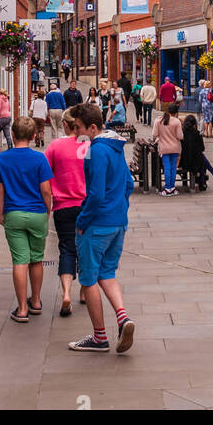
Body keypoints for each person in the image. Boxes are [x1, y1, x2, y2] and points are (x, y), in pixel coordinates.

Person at [69, 102, 135, 353]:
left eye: (78, 128)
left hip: (96, 225)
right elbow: (128, 184)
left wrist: (82, 221)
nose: (76, 133)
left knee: (88, 279)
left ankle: (99, 338)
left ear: (93, 127)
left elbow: (95, 194)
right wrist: (119, 210)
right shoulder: (116, 148)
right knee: (107, 274)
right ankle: (123, 319)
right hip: (118, 223)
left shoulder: (96, 150)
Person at [0, 114, 53, 323]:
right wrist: (48, 209)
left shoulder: (2, 159)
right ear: (34, 135)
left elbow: (0, 191)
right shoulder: (39, 159)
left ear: (13, 134)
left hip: (13, 213)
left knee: (20, 261)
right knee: (36, 259)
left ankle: (23, 309)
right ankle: (36, 301)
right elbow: (46, 189)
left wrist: (0, 213)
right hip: (37, 213)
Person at [44, 107, 87, 316]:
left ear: (65, 125)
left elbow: (43, 175)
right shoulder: (87, 146)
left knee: (67, 249)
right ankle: (86, 292)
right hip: (86, 206)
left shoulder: (55, 146)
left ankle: (67, 293)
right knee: (86, 250)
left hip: (63, 206)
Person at [179, 113, 213, 191]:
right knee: (201, 160)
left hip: (183, 161)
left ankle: (209, 174)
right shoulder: (197, 134)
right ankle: (203, 181)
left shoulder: (182, 133)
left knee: (200, 158)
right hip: (195, 162)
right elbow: (202, 148)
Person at [152, 102, 183, 196]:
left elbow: (154, 134)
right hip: (175, 147)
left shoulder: (158, 120)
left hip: (164, 148)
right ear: (176, 112)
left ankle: (167, 188)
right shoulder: (176, 121)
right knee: (173, 167)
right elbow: (180, 136)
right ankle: (172, 188)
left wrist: (159, 139)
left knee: (167, 167)